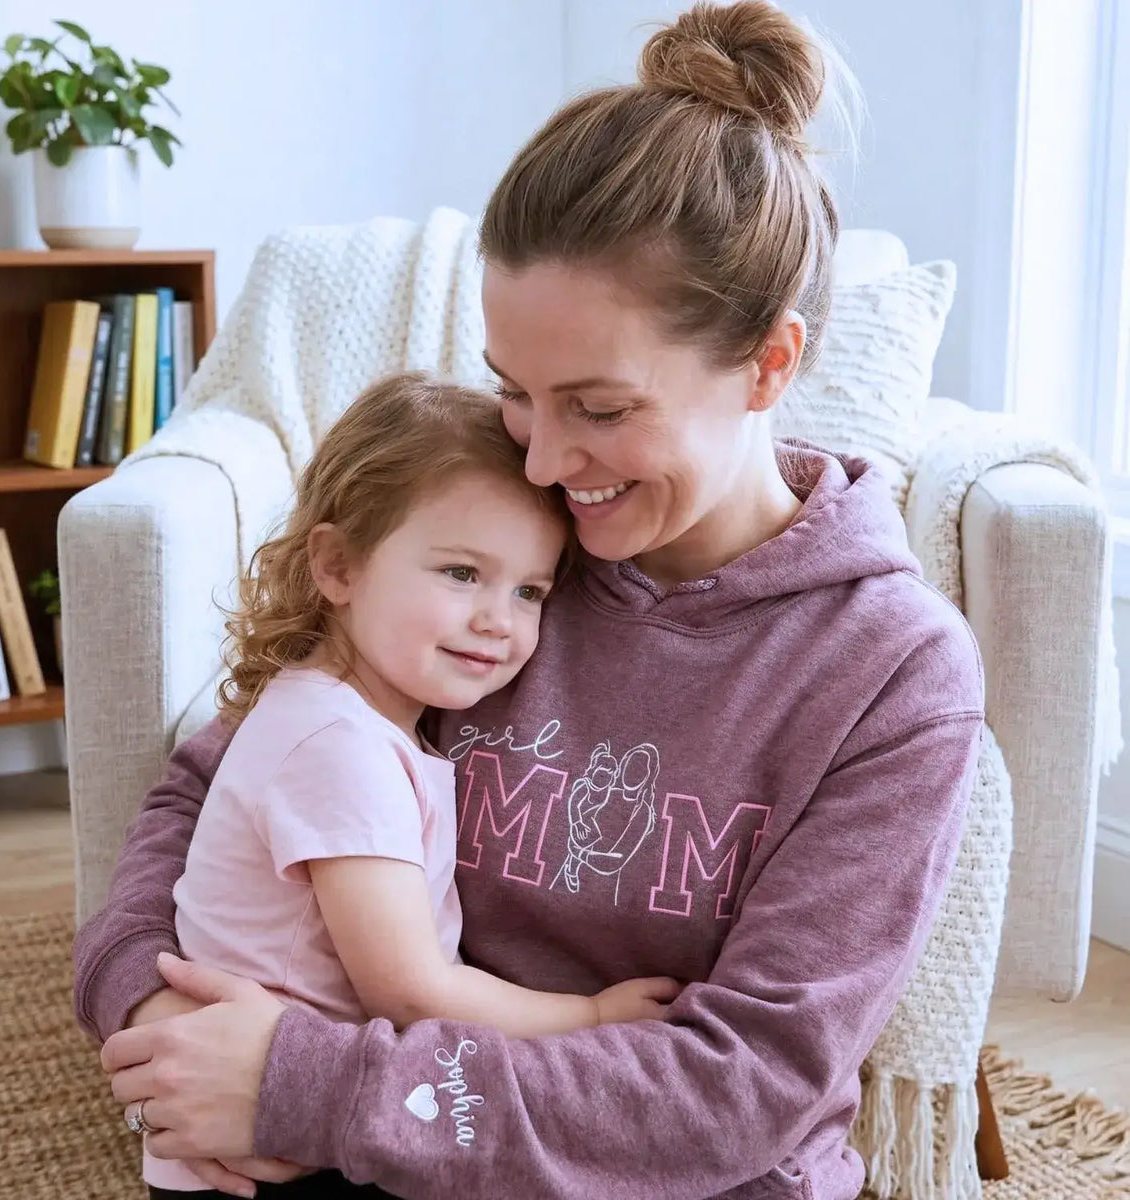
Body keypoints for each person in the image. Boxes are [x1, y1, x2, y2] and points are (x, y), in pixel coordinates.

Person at [77, 3, 986, 1197]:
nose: (548, 461)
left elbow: (743, 1087)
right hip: (381, 1140)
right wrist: (153, 1001)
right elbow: (218, 778)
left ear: (770, 363)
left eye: (601, 408)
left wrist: (312, 1086)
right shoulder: (496, 541)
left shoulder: (892, 671)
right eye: (517, 391)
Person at [134, 373, 680, 1198]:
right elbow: (411, 989)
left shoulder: (350, 716)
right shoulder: (339, 748)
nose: (500, 618)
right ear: (338, 564)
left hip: (298, 1108)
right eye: (462, 573)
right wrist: (593, 1019)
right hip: (266, 1146)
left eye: (529, 590)